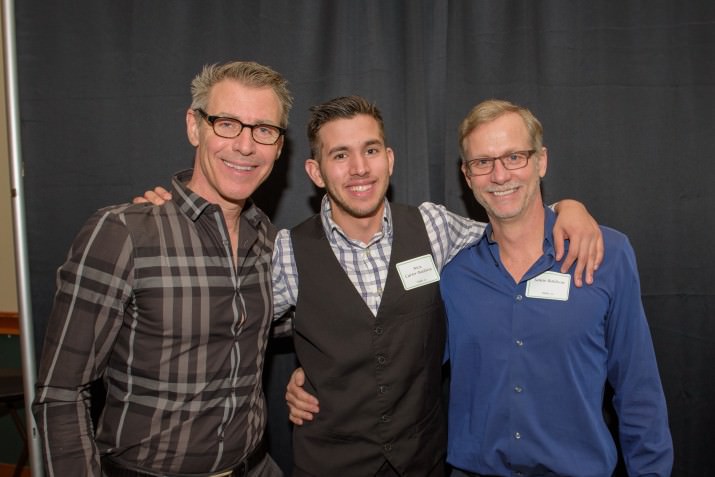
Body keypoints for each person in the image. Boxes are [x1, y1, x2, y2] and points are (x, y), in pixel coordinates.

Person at [277, 96, 603, 476]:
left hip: (422, 461)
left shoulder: (434, 227)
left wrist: (567, 208)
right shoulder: (288, 251)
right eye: (340, 155)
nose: (360, 168)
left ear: (390, 159)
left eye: (370, 150)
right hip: (329, 465)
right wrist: (308, 369)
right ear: (316, 172)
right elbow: (247, 338)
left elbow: (511, 224)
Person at [33, 60, 292, 477]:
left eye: (264, 129)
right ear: (195, 126)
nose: (245, 146)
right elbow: (61, 391)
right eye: (227, 123)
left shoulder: (272, 245)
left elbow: (305, 324)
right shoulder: (124, 234)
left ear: (279, 146)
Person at [440, 99, 673, 476]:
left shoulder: (607, 256)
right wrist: (313, 376)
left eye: (514, 156)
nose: (499, 175)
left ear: (540, 161)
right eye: (483, 162)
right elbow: (403, 367)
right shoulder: (453, 272)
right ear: (468, 176)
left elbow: (638, 389)